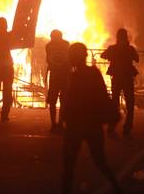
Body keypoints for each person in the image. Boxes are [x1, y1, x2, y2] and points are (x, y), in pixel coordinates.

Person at [62, 43, 121, 194]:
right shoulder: (93, 73)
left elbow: (71, 100)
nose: (69, 58)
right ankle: (117, 187)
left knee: (69, 163)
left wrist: (65, 119)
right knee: (100, 161)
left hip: (78, 125)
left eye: (71, 55)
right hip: (92, 124)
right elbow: (102, 96)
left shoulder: (75, 76)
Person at [101, 28, 139, 138]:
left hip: (117, 78)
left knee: (115, 103)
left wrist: (112, 56)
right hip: (127, 78)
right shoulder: (130, 49)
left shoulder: (113, 48)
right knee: (130, 103)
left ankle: (111, 127)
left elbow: (103, 55)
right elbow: (137, 59)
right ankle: (127, 128)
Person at [45, 29, 70, 133]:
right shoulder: (65, 44)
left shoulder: (49, 45)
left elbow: (49, 59)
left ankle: (55, 124)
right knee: (61, 101)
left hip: (57, 75)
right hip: (63, 75)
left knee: (54, 101)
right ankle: (58, 123)